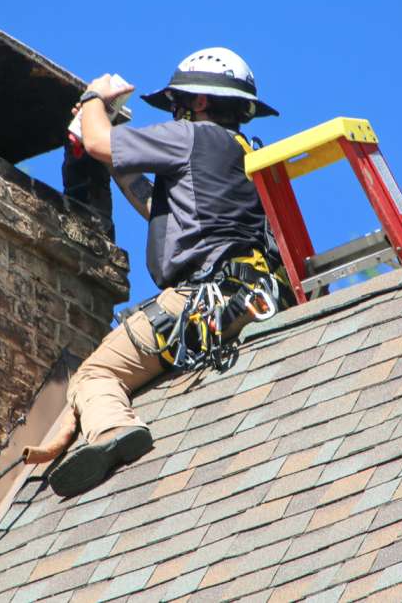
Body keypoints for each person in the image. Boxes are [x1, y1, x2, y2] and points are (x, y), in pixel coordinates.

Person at [44, 47, 289, 498]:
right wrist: (116, 158)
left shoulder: (193, 137)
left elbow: (98, 142)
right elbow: (160, 208)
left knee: (95, 375)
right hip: (251, 293)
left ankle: (110, 432)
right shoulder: (236, 152)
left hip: (202, 295)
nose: (174, 114)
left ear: (198, 103)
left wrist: (95, 100)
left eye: (178, 104)